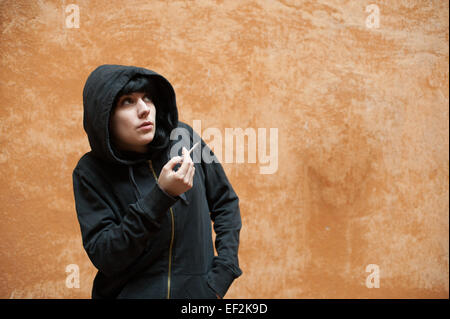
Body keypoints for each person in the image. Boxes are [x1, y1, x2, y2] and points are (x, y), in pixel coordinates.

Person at [72, 64, 242, 299]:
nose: (144, 110)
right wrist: (160, 195)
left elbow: (226, 203)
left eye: (147, 98)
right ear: (104, 115)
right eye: (127, 102)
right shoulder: (90, 172)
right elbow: (106, 256)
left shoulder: (184, 139)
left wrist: (222, 275)